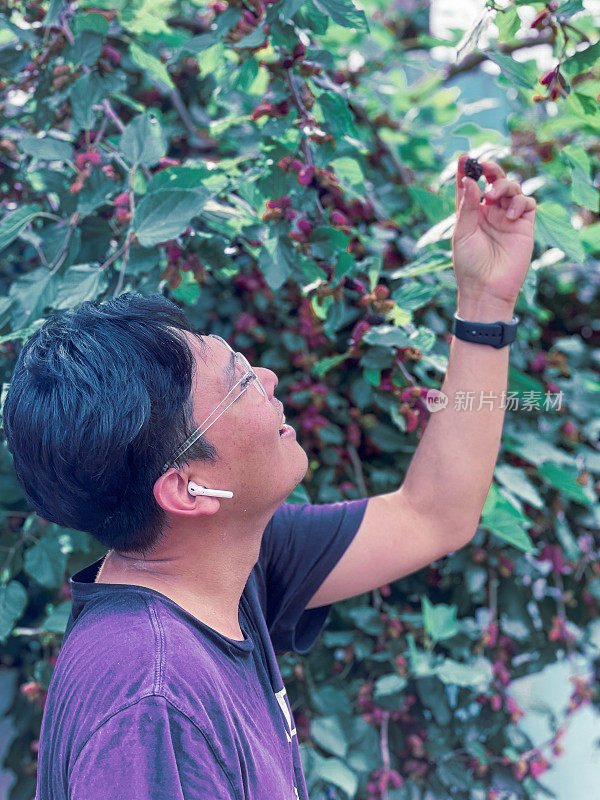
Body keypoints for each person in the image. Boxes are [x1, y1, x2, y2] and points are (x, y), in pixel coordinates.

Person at [3, 154, 536, 799]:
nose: (270, 382)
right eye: (238, 383)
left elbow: (436, 512)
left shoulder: (229, 568)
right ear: (185, 489)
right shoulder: (152, 704)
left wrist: (485, 301)